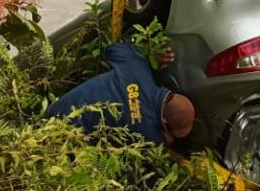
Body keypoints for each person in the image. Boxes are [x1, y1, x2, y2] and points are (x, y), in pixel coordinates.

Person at [46, 40, 195, 146]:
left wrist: (148, 56)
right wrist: (166, 140)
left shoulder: (136, 68)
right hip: (65, 143)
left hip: (53, 113)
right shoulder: (147, 134)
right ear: (164, 121)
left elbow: (114, 49)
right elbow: (147, 154)